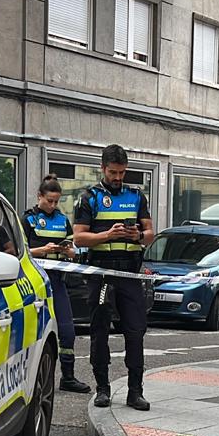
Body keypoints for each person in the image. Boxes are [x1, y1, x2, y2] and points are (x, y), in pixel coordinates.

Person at [73, 145, 154, 411]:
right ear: (103, 168)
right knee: (99, 331)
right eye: (112, 172)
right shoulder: (90, 197)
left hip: (130, 273)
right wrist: (108, 235)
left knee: (136, 331)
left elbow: (151, 233)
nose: (117, 177)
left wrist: (137, 236)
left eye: (121, 172)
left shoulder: (136, 195)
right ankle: (103, 389)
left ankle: (135, 392)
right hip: (102, 274)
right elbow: (79, 237)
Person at [24, 175, 91, 394]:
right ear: (39, 196)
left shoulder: (62, 220)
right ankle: (30, 378)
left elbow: (74, 248)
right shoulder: (28, 219)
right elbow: (19, 251)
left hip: (57, 282)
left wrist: (68, 251)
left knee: (67, 330)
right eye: (49, 200)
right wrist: (42, 251)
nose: (53, 205)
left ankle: (68, 377)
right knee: (35, 333)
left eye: (56, 201)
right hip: (34, 282)